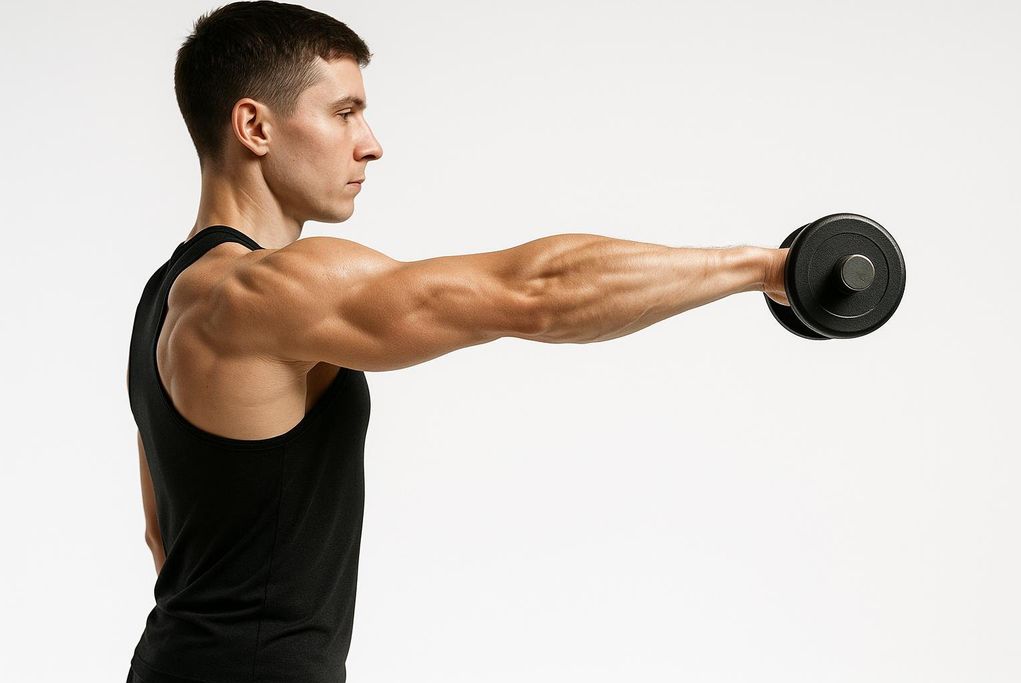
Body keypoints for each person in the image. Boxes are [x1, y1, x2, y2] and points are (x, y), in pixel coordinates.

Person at [125, 2, 790, 681]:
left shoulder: (166, 296)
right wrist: (766, 269)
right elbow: (534, 292)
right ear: (254, 127)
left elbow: (163, 536)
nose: (370, 144)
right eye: (344, 112)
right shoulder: (267, 291)